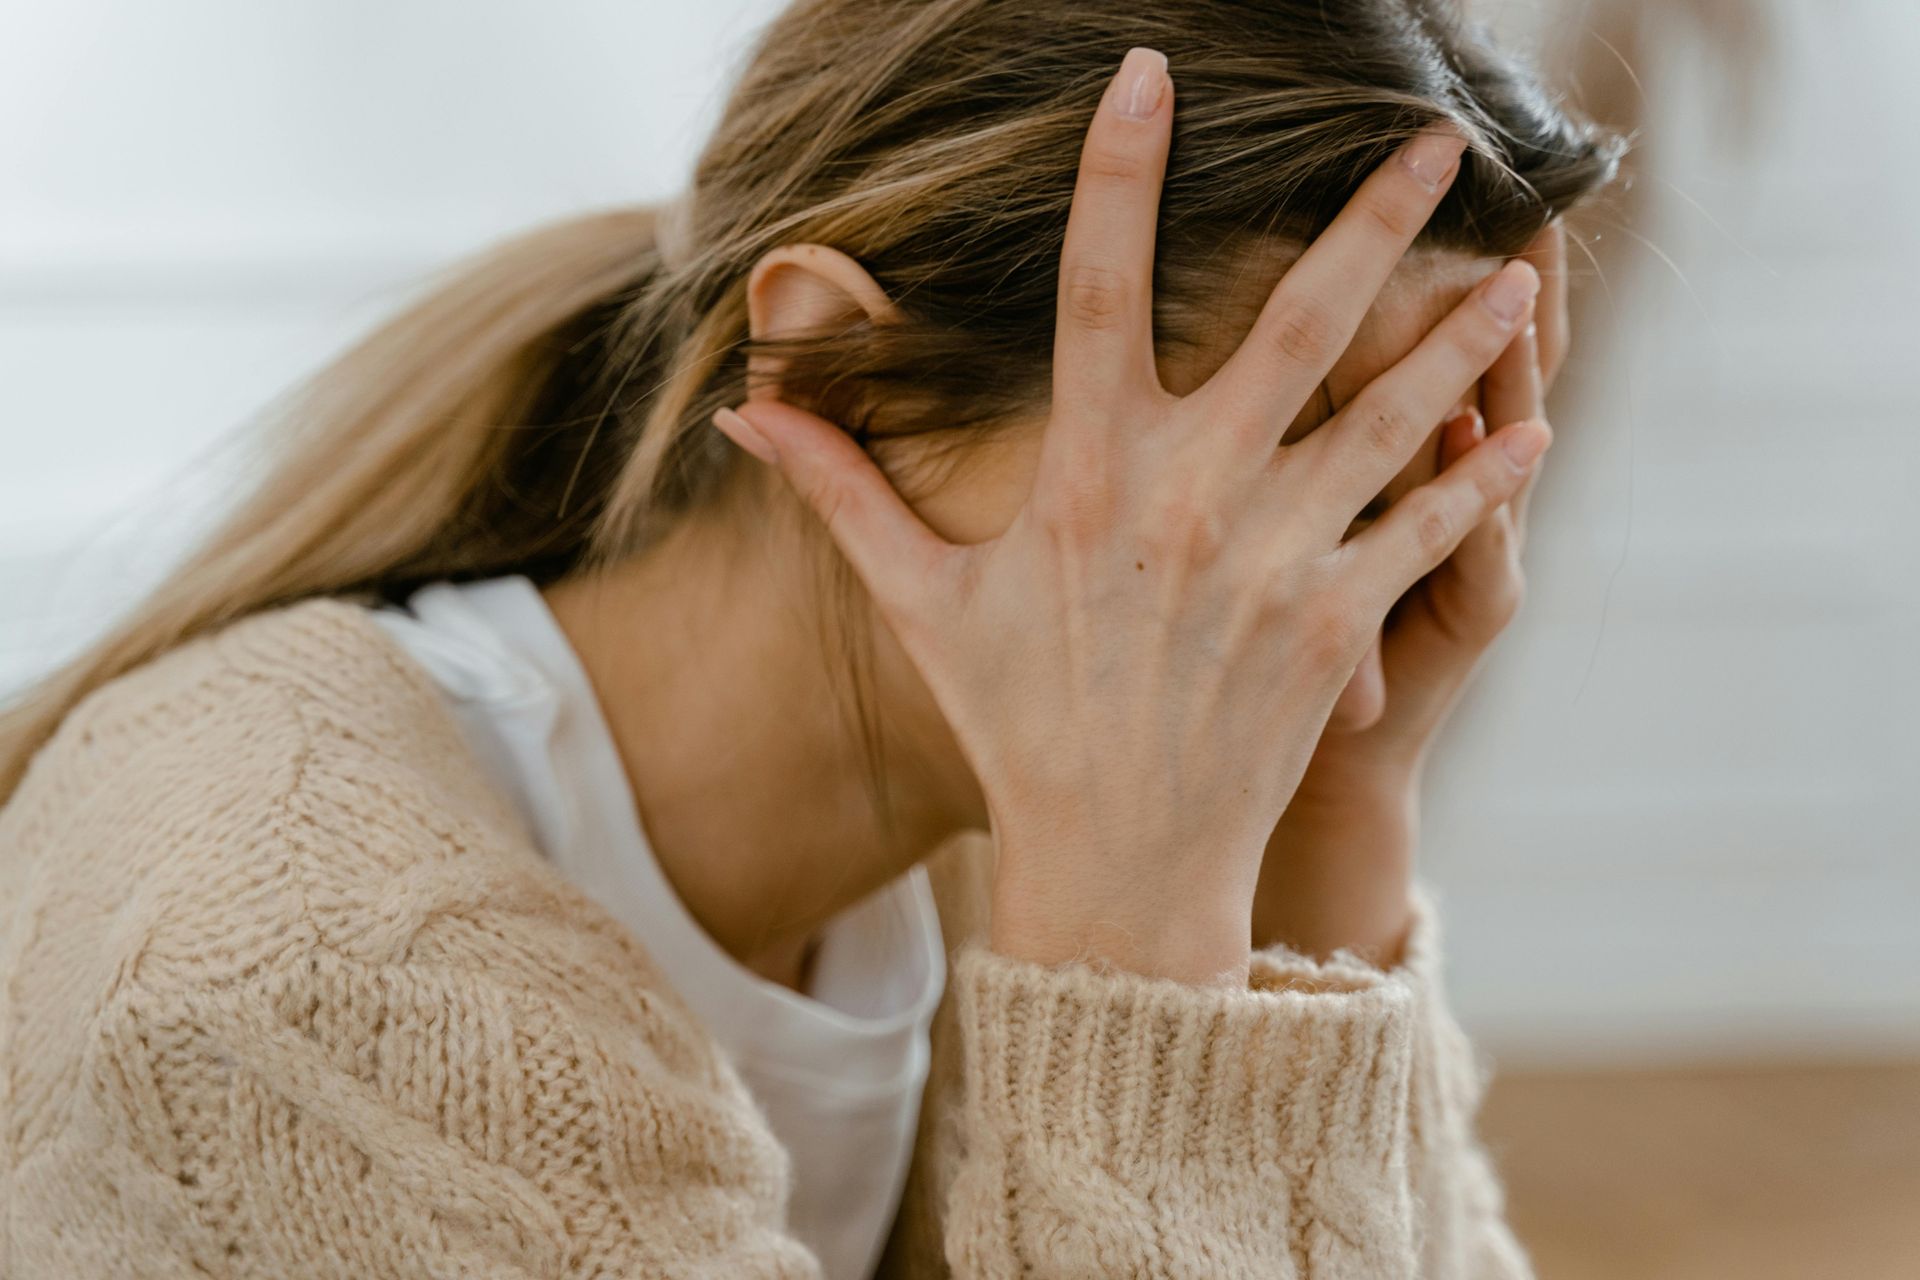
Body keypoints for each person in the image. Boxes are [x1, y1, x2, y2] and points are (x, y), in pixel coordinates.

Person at [0, 2, 1621, 1276]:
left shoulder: (986, 851)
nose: (1323, 624)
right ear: (842, 374)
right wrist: (1136, 964)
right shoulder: (319, 991)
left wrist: (1332, 833)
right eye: (1268, 478)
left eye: (1404, 499)